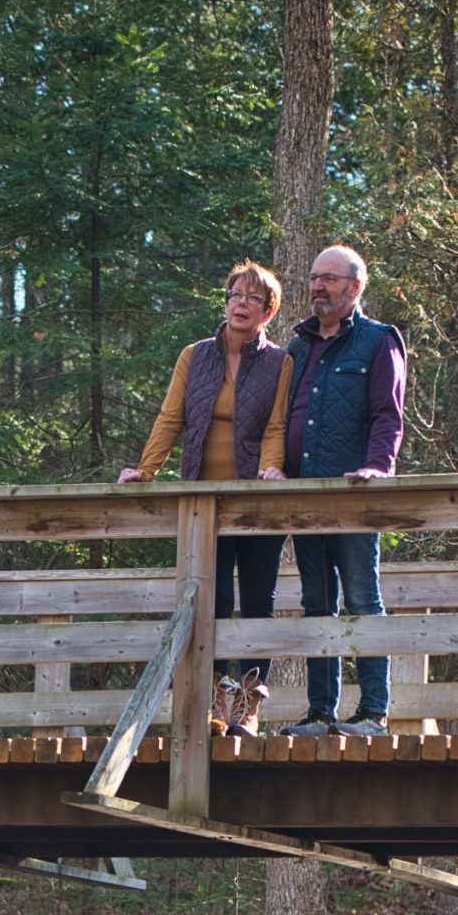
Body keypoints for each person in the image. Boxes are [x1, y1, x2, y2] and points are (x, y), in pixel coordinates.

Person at [120, 260, 296, 736]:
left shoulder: (280, 362)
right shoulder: (194, 356)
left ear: (268, 311)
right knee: (212, 598)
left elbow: (277, 424)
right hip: (203, 500)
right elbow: (171, 416)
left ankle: (251, 703)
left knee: (259, 598)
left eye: (253, 299)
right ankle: (219, 697)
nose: (241, 304)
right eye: (235, 295)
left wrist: (272, 468)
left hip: (257, 499)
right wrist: (147, 468)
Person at [263, 244, 406, 738]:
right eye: (313, 277)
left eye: (328, 279)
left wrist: (377, 467)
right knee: (316, 601)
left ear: (355, 287)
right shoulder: (299, 346)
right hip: (304, 496)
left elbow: (389, 416)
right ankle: (320, 712)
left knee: (363, 599)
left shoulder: (378, 339)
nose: (317, 286)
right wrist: (276, 467)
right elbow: (284, 417)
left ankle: (372, 713)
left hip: (353, 496)